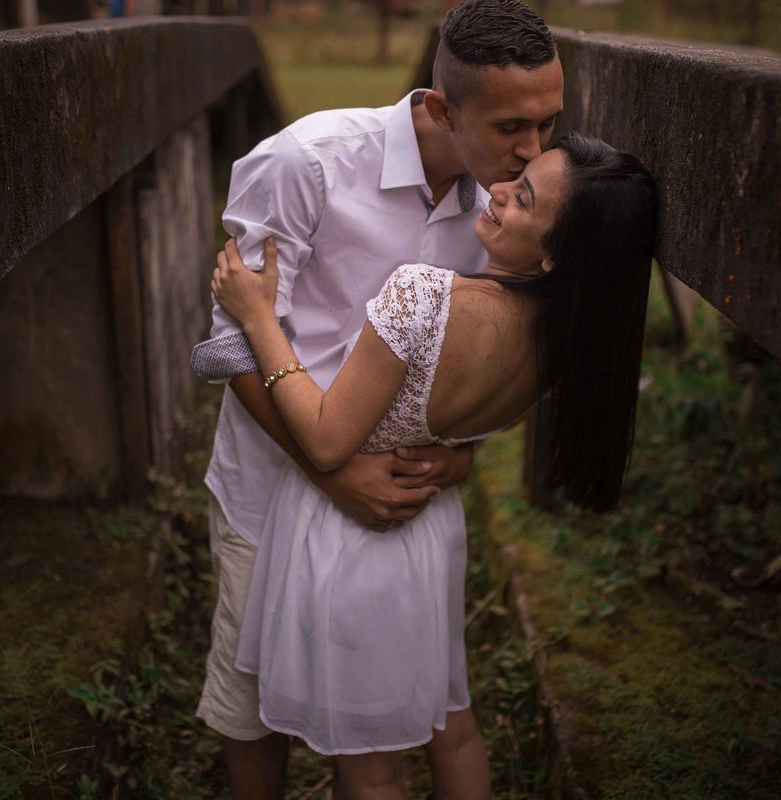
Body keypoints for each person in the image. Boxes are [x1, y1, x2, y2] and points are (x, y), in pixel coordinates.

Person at [211, 133, 659, 799]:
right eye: (518, 175)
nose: (497, 190)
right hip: (431, 533)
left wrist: (258, 319)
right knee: (454, 725)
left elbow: (330, 442)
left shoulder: (421, 298)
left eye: (523, 197)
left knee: (371, 770)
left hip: (356, 545)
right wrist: (460, 460)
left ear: (553, 254)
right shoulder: (569, 339)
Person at [191, 1, 562, 796]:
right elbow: (229, 344)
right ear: (439, 107)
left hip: (400, 517)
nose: (533, 152)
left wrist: (458, 457)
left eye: (548, 123)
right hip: (271, 489)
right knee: (254, 707)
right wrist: (330, 469)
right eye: (509, 128)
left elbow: (486, 353)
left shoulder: (506, 214)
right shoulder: (306, 164)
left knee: (390, 715)